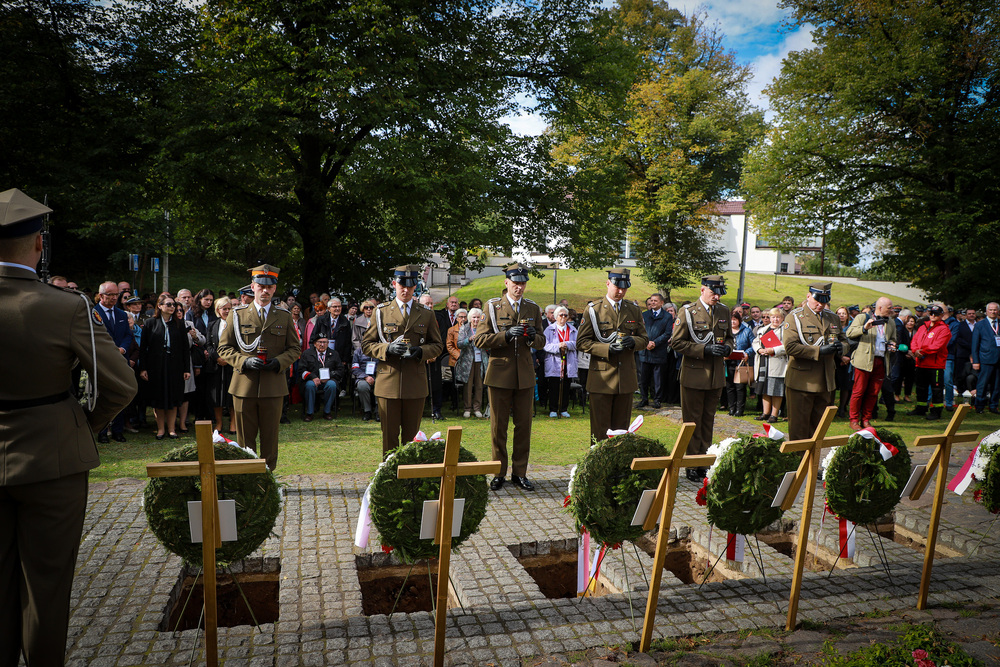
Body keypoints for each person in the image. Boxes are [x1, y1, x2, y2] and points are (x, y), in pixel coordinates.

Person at [0, 188, 137, 666]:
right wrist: (83, 424)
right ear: (39, 244)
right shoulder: (67, 307)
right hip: (53, 460)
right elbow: (120, 385)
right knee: (46, 589)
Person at [217, 264, 302, 470]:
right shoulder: (237, 315)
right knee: (245, 439)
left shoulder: (283, 316)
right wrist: (244, 361)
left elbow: (294, 349)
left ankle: (268, 477)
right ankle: (248, 478)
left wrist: (279, 362)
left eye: (270, 287)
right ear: (252, 287)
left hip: (273, 385)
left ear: (274, 289)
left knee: (270, 439)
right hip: (244, 385)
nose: (265, 291)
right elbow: (224, 348)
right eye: (261, 286)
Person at [474, 263, 546, 491]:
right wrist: (504, 336)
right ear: (506, 283)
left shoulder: (532, 308)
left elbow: (543, 341)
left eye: (523, 283)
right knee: (499, 427)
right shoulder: (493, 306)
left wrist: (534, 337)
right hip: (499, 374)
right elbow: (480, 339)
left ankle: (520, 473)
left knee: (524, 426)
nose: (520, 287)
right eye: (516, 283)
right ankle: (498, 472)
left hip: (524, 374)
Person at [362, 266, 443, 454]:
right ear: (394, 284)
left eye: (410, 286)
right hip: (388, 382)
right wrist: (387, 348)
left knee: (412, 438)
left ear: (416, 286)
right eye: (401, 286)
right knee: (389, 437)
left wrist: (420, 351)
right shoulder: (381, 312)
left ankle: (410, 479)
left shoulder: (426, 313)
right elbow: (367, 345)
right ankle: (388, 479)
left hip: (415, 382)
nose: (405, 290)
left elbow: (437, 345)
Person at [669, 275, 734, 481]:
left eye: (719, 293)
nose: (716, 296)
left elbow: (730, 338)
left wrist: (728, 348)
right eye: (713, 292)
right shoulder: (688, 312)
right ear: (702, 290)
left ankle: (705, 461)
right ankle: (691, 463)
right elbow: (677, 343)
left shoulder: (723, 310)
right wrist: (704, 349)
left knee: (708, 420)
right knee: (692, 421)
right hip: (694, 374)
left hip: (715, 375)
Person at [577, 268, 649, 443]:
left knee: (621, 430)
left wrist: (634, 342)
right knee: (600, 430)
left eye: (624, 288)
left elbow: (644, 338)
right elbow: (582, 342)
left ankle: (619, 469)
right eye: (617, 287)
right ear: (608, 283)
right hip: (601, 377)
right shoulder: (594, 310)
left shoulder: (633, 309)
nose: (620, 291)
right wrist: (606, 349)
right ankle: (599, 467)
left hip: (625, 378)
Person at [783, 283, 850, 441]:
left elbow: (844, 340)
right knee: (799, 431)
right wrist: (818, 351)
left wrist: (843, 348)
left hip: (826, 381)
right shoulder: (794, 317)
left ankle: (812, 464)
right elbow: (790, 347)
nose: (820, 304)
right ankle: (799, 464)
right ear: (808, 296)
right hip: (802, 382)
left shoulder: (832, 317)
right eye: (817, 300)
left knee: (818, 432)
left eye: (824, 301)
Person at [139, 294, 192, 438]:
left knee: (174, 397)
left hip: (175, 365)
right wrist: (143, 368)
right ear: (160, 306)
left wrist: (186, 369)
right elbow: (143, 348)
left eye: (174, 305)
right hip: (156, 366)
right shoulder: (150, 323)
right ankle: (161, 429)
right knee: (159, 397)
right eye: (168, 304)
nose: (172, 307)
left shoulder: (179, 324)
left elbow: (185, 349)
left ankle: (171, 429)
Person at [846, 297, 897, 429]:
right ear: (880, 308)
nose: (892, 310)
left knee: (874, 392)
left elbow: (893, 338)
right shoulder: (863, 317)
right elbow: (849, 333)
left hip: (881, 360)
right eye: (889, 308)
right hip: (864, 360)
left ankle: (866, 419)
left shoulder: (890, 322)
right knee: (859, 391)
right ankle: (854, 420)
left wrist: (892, 344)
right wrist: (864, 328)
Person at [94, 281, 133, 443]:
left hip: (119, 360)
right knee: (102, 396)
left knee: (119, 394)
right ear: (101, 295)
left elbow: (127, 335)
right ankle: (102, 431)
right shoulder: (92, 313)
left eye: (116, 295)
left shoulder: (122, 314)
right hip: (102, 361)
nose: (114, 298)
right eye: (110, 295)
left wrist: (122, 349)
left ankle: (118, 430)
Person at [908, 304, 952, 420]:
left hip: (935, 365)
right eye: (931, 313)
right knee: (920, 387)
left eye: (936, 314)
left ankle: (937, 411)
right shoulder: (923, 327)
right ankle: (921, 408)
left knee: (936, 389)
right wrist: (915, 350)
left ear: (941, 315)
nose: (933, 316)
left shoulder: (944, 329)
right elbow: (914, 340)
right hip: (921, 363)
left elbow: (937, 345)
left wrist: (922, 351)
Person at [638, 293, 673, 409]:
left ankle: (657, 400)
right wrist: (647, 342)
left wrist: (655, 343)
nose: (653, 303)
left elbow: (667, 333)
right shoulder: (645, 315)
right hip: (645, 350)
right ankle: (644, 399)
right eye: (651, 301)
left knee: (658, 378)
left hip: (658, 351)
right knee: (643, 378)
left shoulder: (667, 316)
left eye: (655, 301)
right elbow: (641, 330)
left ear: (661, 303)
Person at [752, 308, 787, 423]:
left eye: (778, 317)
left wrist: (773, 349)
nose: (775, 319)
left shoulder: (785, 331)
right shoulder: (763, 329)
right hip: (763, 362)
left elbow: (787, 346)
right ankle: (765, 413)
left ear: (782, 318)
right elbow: (755, 342)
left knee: (776, 390)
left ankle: (774, 414)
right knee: (765, 389)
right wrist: (759, 350)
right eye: (773, 317)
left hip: (777, 363)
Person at [299, 333, 344, 421]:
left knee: (332, 385)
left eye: (324, 342)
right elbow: (301, 370)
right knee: (309, 385)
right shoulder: (307, 354)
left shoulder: (334, 354)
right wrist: (313, 377)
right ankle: (310, 413)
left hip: (328, 380)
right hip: (312, 380)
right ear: (315, 343)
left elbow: (340, 370)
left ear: (328, 343)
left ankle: (327, 412)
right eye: (320, 342)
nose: (322, 344)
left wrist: (329, 376)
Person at [542, 306, 578, 418]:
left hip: (568, 361)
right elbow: (545, 345)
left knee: (566, 386)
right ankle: (553, 409)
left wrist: (567, 344)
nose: (563, 317)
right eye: (561, 315)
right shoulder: (549, 329)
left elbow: (578, 343)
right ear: (556, 317)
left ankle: (563, 408)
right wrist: (558, 346)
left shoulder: (573, 329)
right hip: (554, 361)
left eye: (565, 315)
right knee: (553, 386)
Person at [208, 298, 236, 434]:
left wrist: (229, 359)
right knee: (217, 396)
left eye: (229, 308)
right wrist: (217, 358)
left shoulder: (237, 324)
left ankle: (233, 422)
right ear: (218, 310)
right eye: (224, 308)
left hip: (232, 365)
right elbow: (208, 344)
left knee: (232, 394)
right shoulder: (212, 324)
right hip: (216, 366)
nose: (227, 311)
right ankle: (218, 423)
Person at [454, 307, 487, 418]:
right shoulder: (464, 328)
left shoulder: (483, 328)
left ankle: (477, 408)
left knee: (479, 385)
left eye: (478, 317)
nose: (476, 319)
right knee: (467, 386)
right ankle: (467, 409)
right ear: (470, 318)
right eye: (474, 317)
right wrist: (469, 340)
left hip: (480, 360)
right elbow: (459, 344)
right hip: (468, 361)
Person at [970, 302, 1000, 414]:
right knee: (982, 384)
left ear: (998, 311)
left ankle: (993, 406)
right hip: (985, 359)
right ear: (987, 311)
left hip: (998, 359)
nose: (993, 312)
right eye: (991, 310)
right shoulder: (979, 325)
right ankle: (979, 406)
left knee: (996, 385)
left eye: (995, 310)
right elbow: (975, 345)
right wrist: (976, 361)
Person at [725, 309, 755, 417]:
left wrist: (747, 353)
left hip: (741, 363)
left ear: (739, 320)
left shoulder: (746, 331)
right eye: (731, 320)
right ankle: (731, 408)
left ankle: (739, 409)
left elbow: (753, 345)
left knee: (740, 387)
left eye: (734, 320)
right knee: (729, 386)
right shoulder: (725, 331)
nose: (732, 322)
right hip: (728, 362)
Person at [351, 345, 380, 422]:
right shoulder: (358, 352)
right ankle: (367, 411)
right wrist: (366, 377)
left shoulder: (380, 349)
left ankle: (379, 411)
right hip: (363, 377)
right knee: (362, 386)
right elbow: (355, 368)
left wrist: (377, 377)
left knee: (381, 385)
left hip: (379, 376)